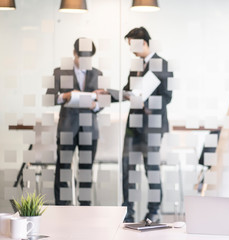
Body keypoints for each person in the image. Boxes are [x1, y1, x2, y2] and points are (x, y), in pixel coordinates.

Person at [46, 38, 114, 206]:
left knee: (85, 171)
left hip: (89, 129)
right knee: (63, 169)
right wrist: (65, 96)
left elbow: (104, 101)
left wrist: (95, 105)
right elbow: (49, 98)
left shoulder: (97, 74)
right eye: (82, 57)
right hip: (67, 127)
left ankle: (85, 209)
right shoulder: (60, 72)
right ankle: (62, 207)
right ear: (74, 54)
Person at [121, 27, 173, 222]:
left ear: (143, 42)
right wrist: (119, 94)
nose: (131, 50)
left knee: (150, 168)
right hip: (133, 125)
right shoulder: (136, 65)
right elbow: (128, 90)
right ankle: (128, 211)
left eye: (132, 45)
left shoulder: (161, 64)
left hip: (152, 125)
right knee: (127, 168)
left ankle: (153, 211)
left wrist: (145, 101)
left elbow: (167, 97)